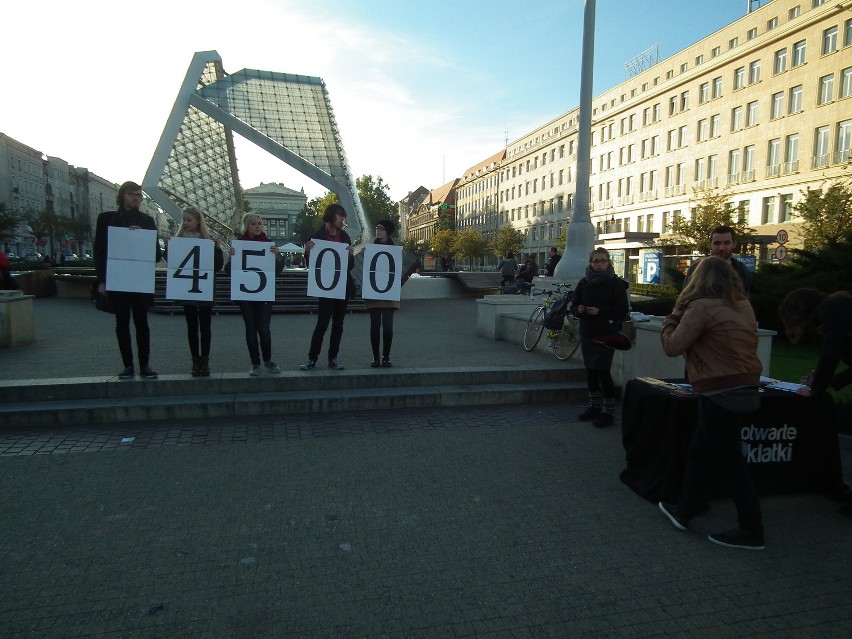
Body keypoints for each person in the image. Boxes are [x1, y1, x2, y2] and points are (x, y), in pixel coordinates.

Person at [658, 256, 765, 551]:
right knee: (699, 451)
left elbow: (672, 346)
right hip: (746, 387)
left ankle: (752, 530)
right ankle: (685, 510)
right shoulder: (743, 305)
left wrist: (671, 318)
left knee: (731, 464)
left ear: (697, 280)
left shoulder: (700, 307)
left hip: (720, 392)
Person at [94, 181, 162, 380]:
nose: (136, 198)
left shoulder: (148, 221)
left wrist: (141, 237)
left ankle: (145, 365)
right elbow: (100, 252)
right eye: (132, 194)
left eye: (139, 195)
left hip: (139, 280)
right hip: (118, 278)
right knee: (121, 323)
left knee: (143, 324)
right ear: (122, 196)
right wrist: (102, 280)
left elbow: (156, 255)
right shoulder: (106, 219)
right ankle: (128, 365)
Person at [571, 248, 629, 427]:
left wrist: (600, 311)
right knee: (590, 371)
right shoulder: (584, 281)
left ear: (608, 262)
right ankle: (594, 406)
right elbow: (573, 305)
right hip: (587, 331)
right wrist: (579, 310)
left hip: (606, 334)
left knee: (603, 371)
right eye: (595, 261)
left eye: (602, 260)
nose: (599, 264)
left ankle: (608, 411)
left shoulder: (615, 283)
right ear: (590, 263)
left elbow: (622, 311)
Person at [165, 207, 225, 377]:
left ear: (198, 221)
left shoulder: (208, 241)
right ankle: (195, 360)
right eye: (184, 219)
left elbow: (217, 266)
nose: (185, 223)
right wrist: (169, 247)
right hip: (187, 288)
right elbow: (171, 262)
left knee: (205, 326)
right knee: (192, 326)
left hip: (203, 288)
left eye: (189, 219)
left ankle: (204, 360)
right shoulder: (178, 240)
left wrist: (218, 249)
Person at [300, 203, 355, 371]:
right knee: (322, 324)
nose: (343, 219)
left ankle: (333, 358)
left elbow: (349, 267)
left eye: (344, 217)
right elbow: (312, 265)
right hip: (326, 287)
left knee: (338, 324)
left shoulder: (345, 237)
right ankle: (312, 358)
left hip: (342, 286)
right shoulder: (316, 236)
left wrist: (351, 256)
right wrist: (308, 252)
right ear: (331, 215)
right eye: (340, 216)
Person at [232, 213, 283, 376]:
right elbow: (228, 271)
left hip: (264, 293)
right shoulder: (239, 244)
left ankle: (267, 360)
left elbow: (278, 271)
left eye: (260, 223)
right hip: (245, 293)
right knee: (251, 328)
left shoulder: (269, 245)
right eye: (254, 224)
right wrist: (232, 257)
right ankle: (255, 362)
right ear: (247, 226)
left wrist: (277, 257)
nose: (258, 226)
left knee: (264, 329)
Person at [778, 288, 852, 398]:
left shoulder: (831, 308)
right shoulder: (840, 308)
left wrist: (815, 390)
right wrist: (825, 382)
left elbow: (831, 353)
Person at [364, 219, 400, 367]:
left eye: (382, 228)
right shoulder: (371, 247)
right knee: (374, 326)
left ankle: (386, 356)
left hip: (389, 293)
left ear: (388, 231)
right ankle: (375, 356)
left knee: (388, 327)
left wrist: (402, 257)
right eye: (377, 227)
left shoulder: (396, 248)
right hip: (374, 292)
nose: (378, 230)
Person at [683, 226, 752, 294]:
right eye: (717, 243)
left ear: (734, 244)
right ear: (710, 245)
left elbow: (744, 299)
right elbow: (686, 298)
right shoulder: (695, 270)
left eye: (726, 243)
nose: (721, 248)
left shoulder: (742, 270)